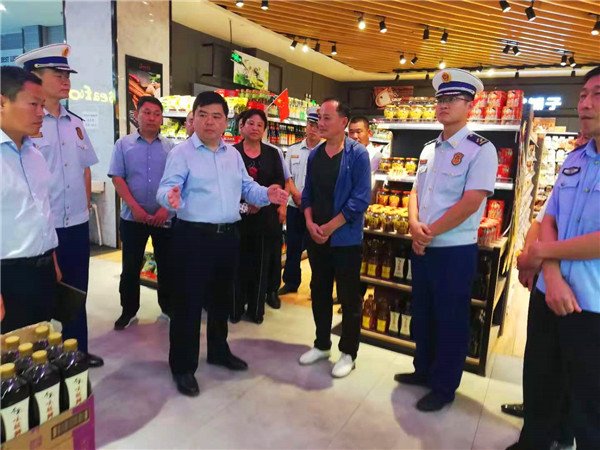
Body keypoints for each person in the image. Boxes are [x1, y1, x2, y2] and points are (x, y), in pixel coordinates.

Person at [156, 91, 288, 397]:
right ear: (194, 118)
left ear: (225, 121)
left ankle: (218, 350)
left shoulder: (232, 155)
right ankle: (182, 366)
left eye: (216, 116)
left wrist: (266, 194)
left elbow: (247, 188)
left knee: (221, 300)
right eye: (203, 115)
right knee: (188, 305)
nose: (209, 122)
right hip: (193, 237)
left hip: (228, 236)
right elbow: (166, 189)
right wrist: (170, 197)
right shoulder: (182, 153)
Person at [394, 69, 498, 412]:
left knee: (450, 319)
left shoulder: (481, 150)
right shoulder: (429, 149)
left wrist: (429, 232)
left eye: (453, 99)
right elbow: (415, 191)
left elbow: (472, 201)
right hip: (423, 246)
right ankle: (422, 369)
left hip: (453, 251)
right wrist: (414, 225)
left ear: (470, 106)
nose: (444, 105)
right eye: (440, 99)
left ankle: (443, 386)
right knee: (423, 312)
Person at [507, 66, 600, 450]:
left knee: (590, 403)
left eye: (597, 95)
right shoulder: (576, 158)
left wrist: (542, 253)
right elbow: (551, 218)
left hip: (592, 305)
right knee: (540, 379)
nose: (585, 104)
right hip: (550, 293)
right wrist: (553, 275)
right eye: (583, 95)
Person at [15, 44, 103, 367]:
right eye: (58, 74)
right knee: (38, 300)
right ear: (34, 77)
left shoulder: (74, 123)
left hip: (76, 224)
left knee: (76, 294)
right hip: (42, 230)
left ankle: (76, 353)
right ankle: (39, 364)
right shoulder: (25, 126)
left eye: (68, 75)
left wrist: (83, 209)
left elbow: (84, 169)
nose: (66, 80)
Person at [298, 98, 371, 378]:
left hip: (345, 240)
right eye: (319, 117)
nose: (320, 123)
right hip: (316, 237)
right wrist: (309, 223)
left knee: (349, 297)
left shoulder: (357, 155)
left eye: (326, 118)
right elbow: (307, 193)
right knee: (319, 290)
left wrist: (329, 227)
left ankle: (348, 353)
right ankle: (321, 344)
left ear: (343, 122)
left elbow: (359, 200)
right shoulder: (315, 154)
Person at [0, 66, 61, 332]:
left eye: (43, 105)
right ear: (2, 103)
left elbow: (42, 211)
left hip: (42, 270)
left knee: (40, 343)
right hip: (8, 276)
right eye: (33, 104)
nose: (41, 113)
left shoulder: (34, 154)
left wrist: (52, 261)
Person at [108, 96, 175, 330]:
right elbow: (117, 178)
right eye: (147, 113)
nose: (152, 118)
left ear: (162, 118)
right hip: (132, 218)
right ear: (137, 115)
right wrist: (135, 208)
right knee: (130, 267)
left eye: (157, 114)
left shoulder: (171, 148)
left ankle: (169, 308)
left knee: (167, 266)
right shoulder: (123, 145)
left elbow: (177, 182)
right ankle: (128, 311)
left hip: (164, 218)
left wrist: (166, 209)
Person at [231, 109, 285, 324]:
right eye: (250, 123)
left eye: (259, 125)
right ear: (242, 126)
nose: (255, 128)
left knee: (261, 264)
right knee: (237, 263)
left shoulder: (272, 153)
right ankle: (235, 307)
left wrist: (262, 201)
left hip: (265, 217)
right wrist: (247, 201)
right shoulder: (232, 153)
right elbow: (228, 183)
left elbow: (279, 181)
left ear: (264, 129)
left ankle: (256, 310)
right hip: (237, 217)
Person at [278, 105, 321, 296]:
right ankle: (290, 282)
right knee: (293, 246)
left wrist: (308, 201)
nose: (313, 129)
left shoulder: (326, 152)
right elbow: (287, 177)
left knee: (316, 250)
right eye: (310, 125)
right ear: (306, 126)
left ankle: (316, 287)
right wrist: (296, 195)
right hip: (294, 206)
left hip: (316, 209)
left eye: (317, 126)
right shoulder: (293, 149)